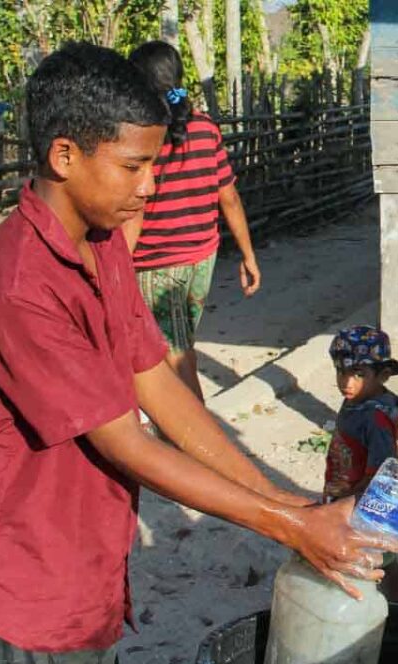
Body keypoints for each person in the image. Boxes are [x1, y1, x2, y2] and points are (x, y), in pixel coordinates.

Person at [0, 42, 395, 664]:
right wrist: (288, 526)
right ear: (64, 155)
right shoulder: (18, 287)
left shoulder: (103, 244)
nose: (150, 186)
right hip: (1, 590)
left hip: (79, 571)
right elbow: (126, 444)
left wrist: (289, 503)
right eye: (133, 166)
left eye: (155, 164)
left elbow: (158, 383)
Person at [124, 41, 259, 401]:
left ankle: (195, 439)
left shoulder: (145, 135)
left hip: (156, 262)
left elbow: (135, 207)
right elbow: (228, 195)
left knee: (174, 355)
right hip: (202, 257)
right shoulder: (205, 127)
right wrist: (248, 254)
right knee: (178, 343)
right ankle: (171, 432)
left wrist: (117, 265)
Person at [324, 325, 398, 603]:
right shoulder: (357, 402)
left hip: (366, 506)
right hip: (346, 499)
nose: (347, 383)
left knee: (379, 563)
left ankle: (394, 611)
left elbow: (384, 474)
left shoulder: (374, 418)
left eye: (359, 375)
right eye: (342, 372)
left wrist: (350, 507)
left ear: (383, 375)